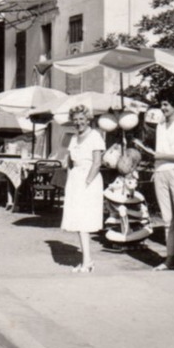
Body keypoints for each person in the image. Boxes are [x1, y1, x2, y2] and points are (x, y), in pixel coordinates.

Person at [137, 94, 174, 273]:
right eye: (162, 104)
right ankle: (170, 258)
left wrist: (161, 156)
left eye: (166, 104)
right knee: (167, 219)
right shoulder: (161, 125)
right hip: (160, 172)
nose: (163, 108)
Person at [61, 105, 107, 274]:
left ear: (88, 120)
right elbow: (70, 161)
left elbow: (97, 162)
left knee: (85, 219)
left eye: (82, 119)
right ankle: (87, 261)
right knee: (78, 219)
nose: (79, 122)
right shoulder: (73, 138)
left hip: (89, 179)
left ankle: (87, 261)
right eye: (76, 119)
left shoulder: (95, 136)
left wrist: (87, 182)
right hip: (75, 178)